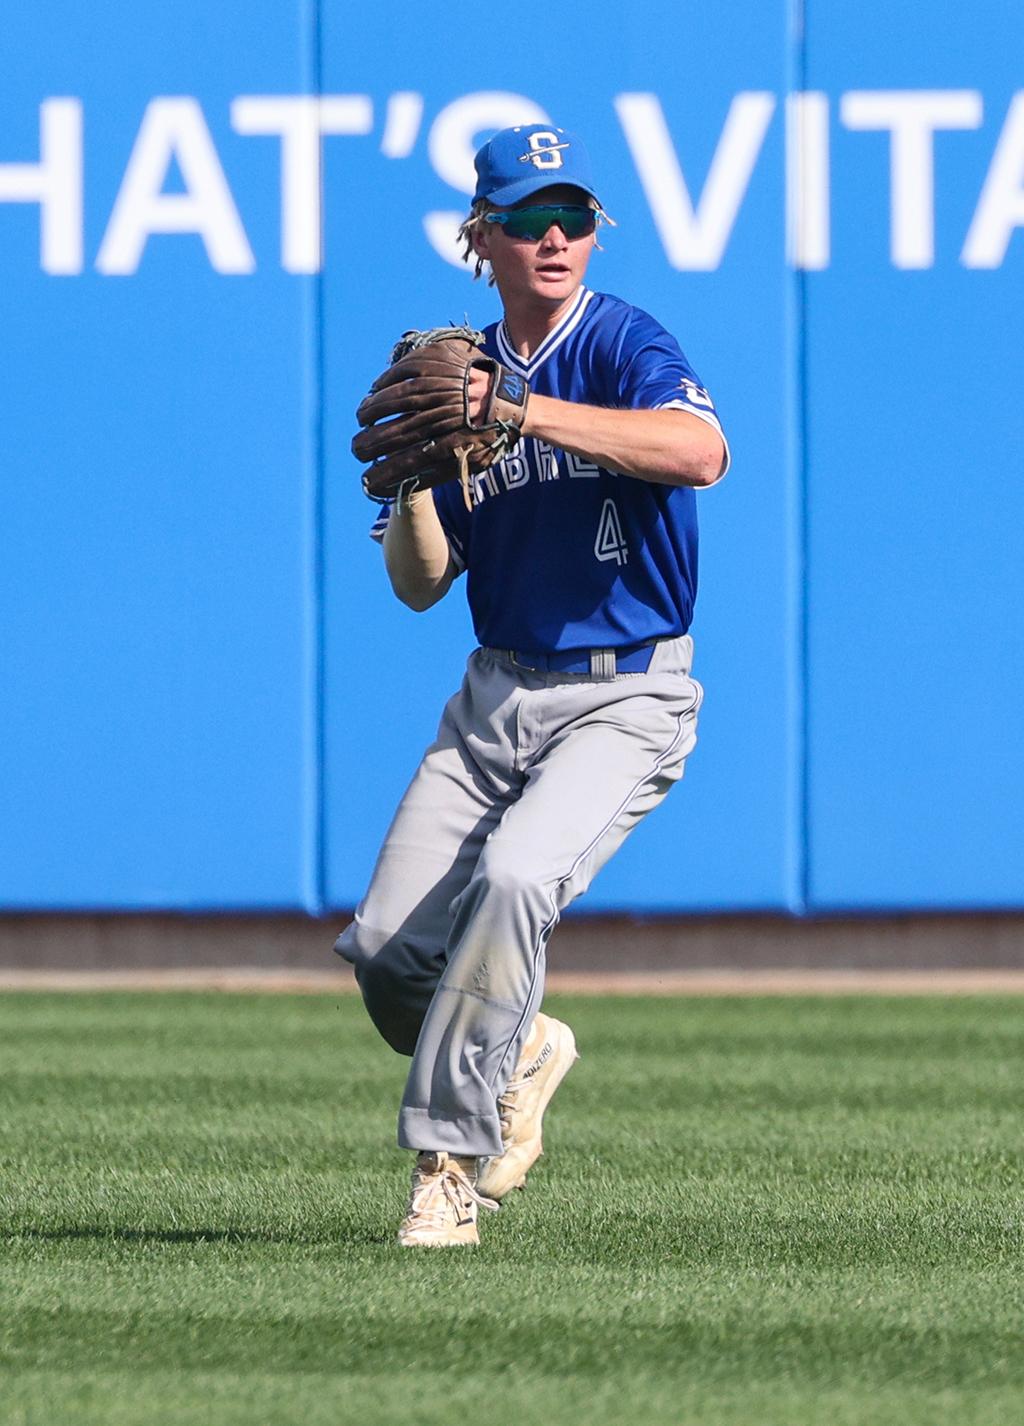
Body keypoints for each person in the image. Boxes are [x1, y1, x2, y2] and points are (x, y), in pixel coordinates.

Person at [335, 123, 729, 1247]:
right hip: (496, 695)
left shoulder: (623, 341)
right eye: (526, 218)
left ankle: (445, 1170)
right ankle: (520, 1051)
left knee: (514, 880)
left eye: (572, 215)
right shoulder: (452, 375)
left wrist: (520, 413)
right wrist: (417, 485)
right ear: (482, 236)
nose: (553, 236)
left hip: (627, 693)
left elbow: (699, 454)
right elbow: (421, 583)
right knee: (388, 954)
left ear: (595, 230)